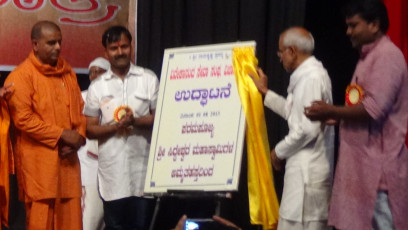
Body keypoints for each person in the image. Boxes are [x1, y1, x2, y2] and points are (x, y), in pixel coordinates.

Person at [304, 0, 408, 229]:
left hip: (379, 178)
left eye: (353, 25)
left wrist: (331, 110)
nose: (348, 31)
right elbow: (364, 106)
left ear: (374, 24)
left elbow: (373, 109)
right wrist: (339, 117)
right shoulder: (368, 57)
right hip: (363, 174)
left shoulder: (387, 56)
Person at [5, 21, 86, 229]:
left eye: (59, 42)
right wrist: (62, 135)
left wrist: (79, 137)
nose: (58, 47)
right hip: (39, 170)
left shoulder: (68, 74)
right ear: (35, 44)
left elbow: (81, 110)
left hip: (68, 167)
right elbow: (23, 119)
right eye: (51, 43)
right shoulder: (20, 76)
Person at [251, 27, 334, 230]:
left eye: (281, 52)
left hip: (307, 178)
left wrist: (278, 152)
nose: (280, 58)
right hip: (303, 177)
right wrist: (265, 92)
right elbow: (295, 115)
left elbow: (308, 129)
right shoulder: (305, 76)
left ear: (292, 51)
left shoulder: (312, 78)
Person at [84, 25, 159, 230]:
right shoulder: (97, 87)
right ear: (105, 52)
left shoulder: (149, 79)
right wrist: (116, 126)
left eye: (124, 46)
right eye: (114, 48)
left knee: (143, 226)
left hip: (143, 173)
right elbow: (89, 129)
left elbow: (160, 119)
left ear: (131, 47)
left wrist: (135, 121)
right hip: (112, 174)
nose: (120, 52)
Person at [79, 57, 110, 230]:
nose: (94, 76)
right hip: (88, 170)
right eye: (91, 72)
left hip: (112, 170)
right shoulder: (81, 98)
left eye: (99, 71)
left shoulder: (117, 100)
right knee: (88, 222)